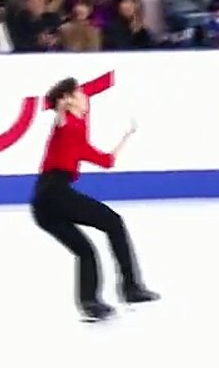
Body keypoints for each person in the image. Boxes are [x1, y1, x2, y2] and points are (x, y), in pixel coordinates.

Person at [33, 77, 158, 322]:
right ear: (68, 100)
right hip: (53, 193)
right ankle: (129, 288)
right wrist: (61, 106)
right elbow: (58, 116)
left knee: (86, 249)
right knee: (112, 222)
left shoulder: (78, 132)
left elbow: (107, 161)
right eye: (80, 94)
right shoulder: (65, 122)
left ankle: (91, 302)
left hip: (43, 201)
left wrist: (126, 136)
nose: (85, 97)